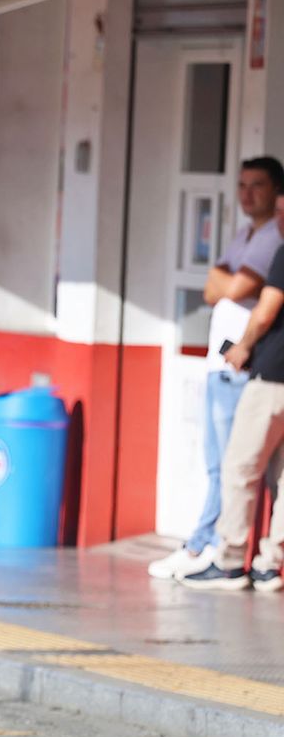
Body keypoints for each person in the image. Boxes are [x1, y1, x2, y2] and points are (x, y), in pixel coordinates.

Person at [151, 156, 284, 579]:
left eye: (258, 187)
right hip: (239, 365)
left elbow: (247, 296)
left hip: (252, 370)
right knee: (245, 469)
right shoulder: (249, 235)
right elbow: (214, 288)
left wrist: (243, 344)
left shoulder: (273, 245)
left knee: (234, 467)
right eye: (242, 185)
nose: (248, 194)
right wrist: (223, 282)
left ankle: (218, 555)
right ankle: (257, 560)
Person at [180, 237, 284, 593]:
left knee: (239, 468)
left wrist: (243, 346)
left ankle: (229, 563)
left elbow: (266, 308)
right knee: (282, 479)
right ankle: (270, 565)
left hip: (271, 377)